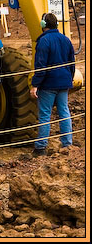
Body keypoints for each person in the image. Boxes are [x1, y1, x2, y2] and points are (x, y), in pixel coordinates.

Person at [30, 12, 75, 156]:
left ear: (43, 25)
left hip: (48, 85)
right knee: (64, 112)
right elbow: (72, 63)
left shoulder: (43, 41)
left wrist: (35, 84)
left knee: (44, 115)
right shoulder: (66, 40)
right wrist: (69, 78)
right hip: (64, 82)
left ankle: (41, 147)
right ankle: (67, 144)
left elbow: (41, 66)